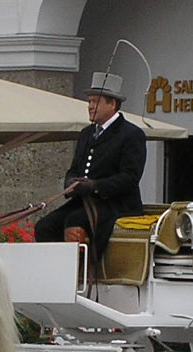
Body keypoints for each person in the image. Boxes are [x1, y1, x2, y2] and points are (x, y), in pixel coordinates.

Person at [34, 71, 147, 261]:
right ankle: (53, 269)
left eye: (95, 102)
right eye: (89, 102)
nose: (90, 106)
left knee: (75, 220)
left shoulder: (131, 134)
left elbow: (130, 176)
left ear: (112, 104)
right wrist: (71, 182)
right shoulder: (86, 133)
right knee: (44, 225)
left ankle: (81, 270)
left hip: (116, 204)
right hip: (84, 202)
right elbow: (75, 167)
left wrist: (95, 186)